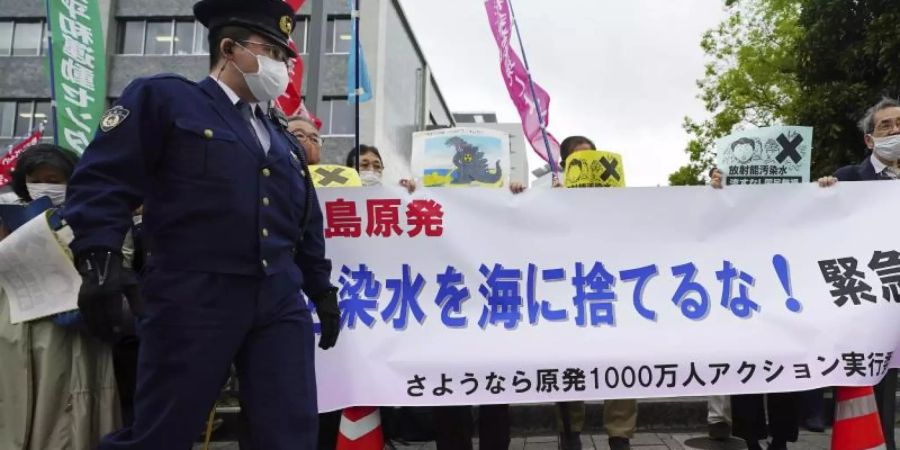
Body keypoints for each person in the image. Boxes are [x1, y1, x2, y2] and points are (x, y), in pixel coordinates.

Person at [62, 0, 341, 448]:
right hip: (193, 290)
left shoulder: (284, 137)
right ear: (229, 48)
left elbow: (305, 220)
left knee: (289, 429)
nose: (281, 65)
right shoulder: (169, 99)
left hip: (278, 297)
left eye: (284, 55)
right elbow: (104, 179)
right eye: (270, 50)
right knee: (164, 429)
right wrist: (100, 257)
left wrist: (321, 289)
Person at [0, 144, 121, 450]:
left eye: (53, 178)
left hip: (69, 331)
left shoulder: (94, 217)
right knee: (15, 402)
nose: (44, 185)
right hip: (15, 325)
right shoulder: (7, 216)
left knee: (62, 409)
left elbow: (118, 263)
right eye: (35, 178)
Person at [818, 97, 900, 450]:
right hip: (873, 305)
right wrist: (821, 196)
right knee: (874, 394)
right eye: (886, 126)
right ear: (869, 140)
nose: (895, 131)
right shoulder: (847, 180)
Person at [549, 136, 637, 450]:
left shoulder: (617, 200)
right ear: (563, 165)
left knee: (620, 361)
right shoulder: (548, 197)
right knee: (570, 361)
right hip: (568, 293)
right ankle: (570, 430)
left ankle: (620, 435)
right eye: (578, 158)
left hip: (611, 291)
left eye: (592, 157)